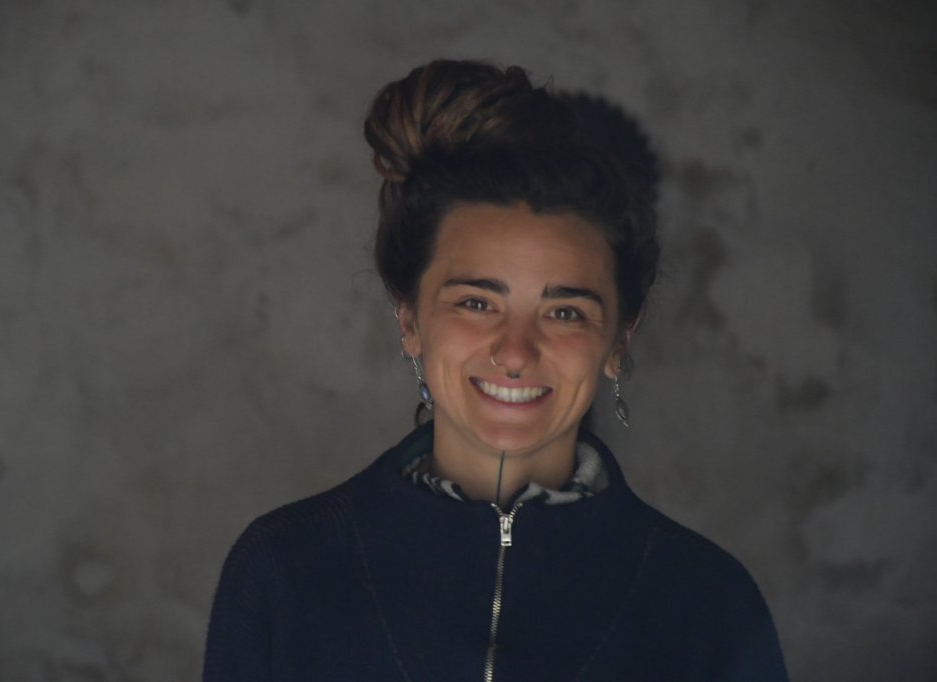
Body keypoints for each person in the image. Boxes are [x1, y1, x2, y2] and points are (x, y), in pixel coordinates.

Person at [203, 59, 788, 682]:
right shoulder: (283, 573)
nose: (515, 352)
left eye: (564, 312)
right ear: (410, 319)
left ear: (620, 337)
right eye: (477, 303)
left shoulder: (710, 606)